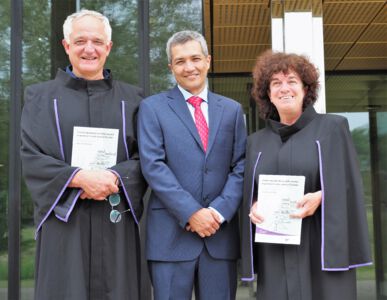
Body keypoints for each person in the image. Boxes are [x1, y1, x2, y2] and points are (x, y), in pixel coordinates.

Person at [21, 9, 147, 300]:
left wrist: (114, 177)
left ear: (108, 47)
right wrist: (78, 178)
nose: (89, 49)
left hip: (116, 224)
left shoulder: (134, 100)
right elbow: (31, 156)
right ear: (66, 46)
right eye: (80, 41)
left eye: (97, 41)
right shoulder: (40, 98)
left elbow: (148, 159)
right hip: (65, 227)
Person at [240, 50, 372, 299]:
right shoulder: (256, 143)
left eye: (292, 81)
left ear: (305, 89)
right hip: (275, 249)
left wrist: (322, 197)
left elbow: (350, 184)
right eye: (276, 83)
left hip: (320, 245)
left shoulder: (332, 128)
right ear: (268, 94)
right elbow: (250, 192)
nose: (284, 88)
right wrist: (255, 205)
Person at [137, 30, 246, 300]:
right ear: (171, 67)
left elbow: (241, 165)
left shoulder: (232, 110)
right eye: (180, 61)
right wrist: (191, 212)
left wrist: (218, 212)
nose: (189, 67)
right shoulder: (152, 108)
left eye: (195, 58)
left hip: (219, 237)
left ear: (208, 61)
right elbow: (153, 165)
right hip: (170, 237)